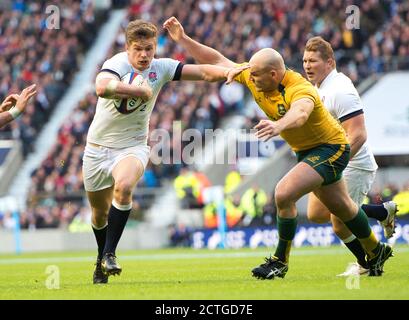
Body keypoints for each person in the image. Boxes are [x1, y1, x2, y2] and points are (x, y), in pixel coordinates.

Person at [163, 17, 393, 279]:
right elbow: (218, 61)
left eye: (256, 76)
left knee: (283, 194)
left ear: (273, 74)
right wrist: (183, 39)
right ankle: (376, 251)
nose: (250, 80)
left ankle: (279, 261)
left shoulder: (300, 88)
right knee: (341, 209)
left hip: (331, 148)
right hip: (307, 150)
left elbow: (301, 113)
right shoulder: (255, 75)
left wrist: (278, 125)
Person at [83, 19, 245, 284]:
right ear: (127, 48)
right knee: (98, 214)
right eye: (138, 49)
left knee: (123, 187)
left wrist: (234, 71)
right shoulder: (116, 64)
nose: (145, 55)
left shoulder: (162, 67)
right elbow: (102, 88)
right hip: (97, 150)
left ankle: (110, 254)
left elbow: (204, 72)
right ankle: (101, 258)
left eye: (149, 48)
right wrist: (139, 90)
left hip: (132, 146)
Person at [303, 36, 398, 276]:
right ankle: (380, 212)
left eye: (313, 61)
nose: (307, 65)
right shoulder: (318, 87)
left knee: (339, 220)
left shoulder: (340, 90)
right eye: (305, 60)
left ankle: (367, 264)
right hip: (330, 159)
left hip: (353, 162)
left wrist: (333, 165)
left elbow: (359, 135)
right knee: (316, 214)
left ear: (330, 63)